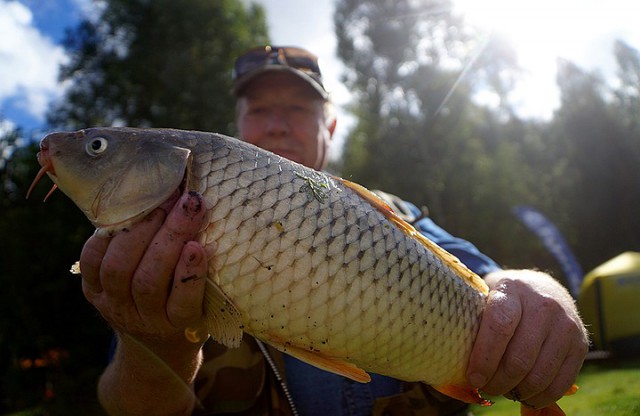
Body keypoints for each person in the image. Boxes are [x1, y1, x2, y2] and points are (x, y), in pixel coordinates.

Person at [80, 45, 589, 415]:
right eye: (259, 110)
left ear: (330, 128)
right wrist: (155, 346)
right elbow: (124, 403)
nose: (277, 124)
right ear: (238, 130)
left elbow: (494, 281)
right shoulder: (153, 231)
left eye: (298, 109)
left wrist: (538, 294)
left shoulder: (399, 215)